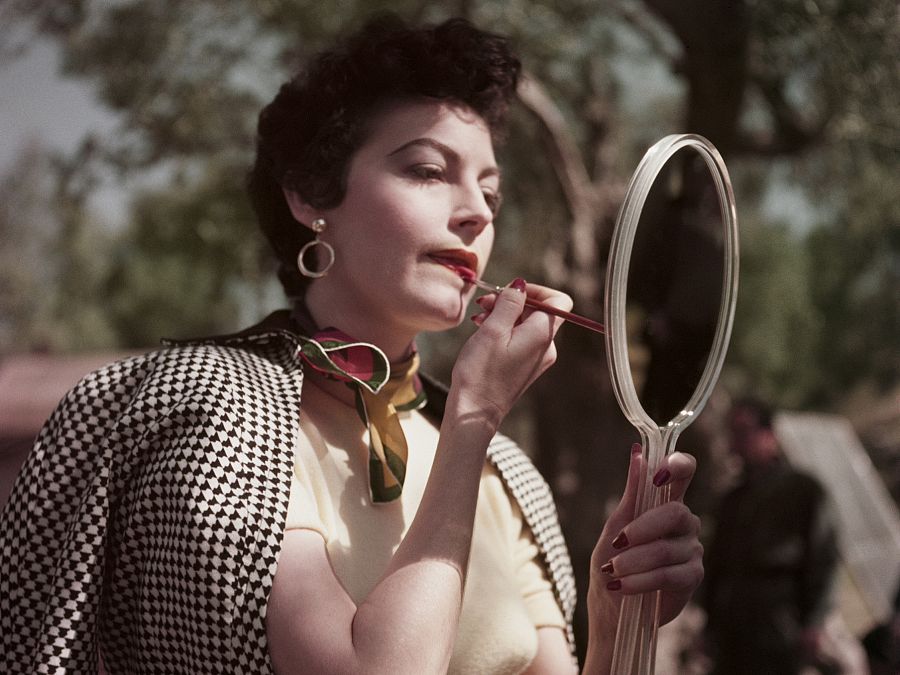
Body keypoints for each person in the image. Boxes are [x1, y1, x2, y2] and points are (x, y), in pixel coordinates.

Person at [0, 15, 703, 674]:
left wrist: (613, 620)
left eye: (490, 193)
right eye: (428, 170)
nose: (474, 214)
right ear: (310, 195)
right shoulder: (210, 411)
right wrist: (471, 419)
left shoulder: (506, 476)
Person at [702, 396, 840, 674]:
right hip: (732, 619)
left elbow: (823, 556)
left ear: (768, 434)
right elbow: (716, 562)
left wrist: (814, 621)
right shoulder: (732, 499)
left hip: (778, 618)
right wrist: (707, 622)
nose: (736, 443)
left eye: (744, 432)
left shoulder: (803, 490)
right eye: (733, 433)